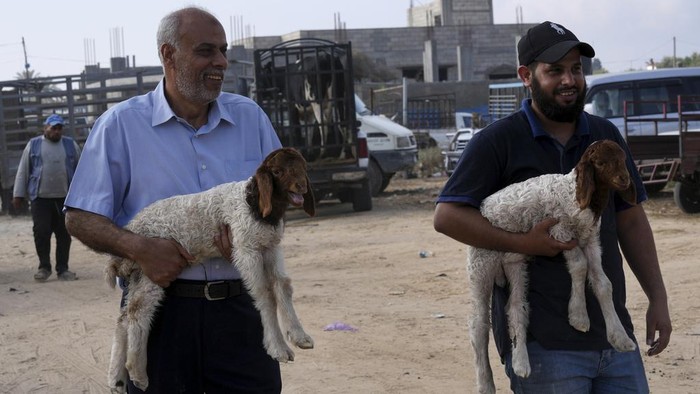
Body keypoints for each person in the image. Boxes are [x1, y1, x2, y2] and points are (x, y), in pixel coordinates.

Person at [433, 21, 672, 393]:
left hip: (613, 337)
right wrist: (522, 243)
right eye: (555, 70)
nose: (569, 80)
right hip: (543, 348)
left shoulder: (605, 136)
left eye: (576, 69)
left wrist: (658, 298)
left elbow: (632, 221)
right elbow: (447, 217)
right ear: (526, 76)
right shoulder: (497, 142)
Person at [64, 7, 283, 393]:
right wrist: (140, 248)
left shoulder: (251, 119)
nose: (220, 62)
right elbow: (79, 216)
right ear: (168, 55)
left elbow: (279, 201)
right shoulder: (120, 126)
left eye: (223, 50)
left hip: (240, 311)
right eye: (205, 51)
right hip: (161, 317)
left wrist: (259, 229)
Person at [13, 114, 81, 282]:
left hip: (65, 199)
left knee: (64, 234)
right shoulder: (34, 145)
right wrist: (18, 194)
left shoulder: (70, 145)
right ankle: (44, 267)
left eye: (59, 128)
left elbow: (81, 171)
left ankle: (63, 269)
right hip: (40, 198)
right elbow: (23, 170)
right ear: (45, 128)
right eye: (53, 128)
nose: (56, 131)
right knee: (41, 232)